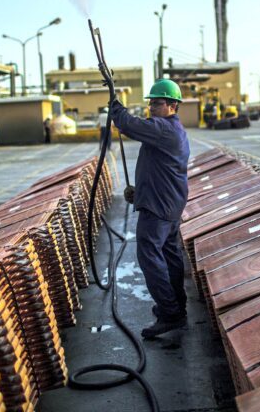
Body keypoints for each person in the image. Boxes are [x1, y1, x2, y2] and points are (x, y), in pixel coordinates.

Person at [110, 79, 190, 338]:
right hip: (166, 203)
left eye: (157, 103)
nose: (151, 107)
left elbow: (128, 125)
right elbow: (160, 169)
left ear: (173, 105)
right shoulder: (171, 131)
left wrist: (116, 108)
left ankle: (170, 313)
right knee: (169, 255)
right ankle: (177, 307)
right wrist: (139, 193)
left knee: (149, 257)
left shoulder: (164, 128)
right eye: (150, 103)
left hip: (159, 208)